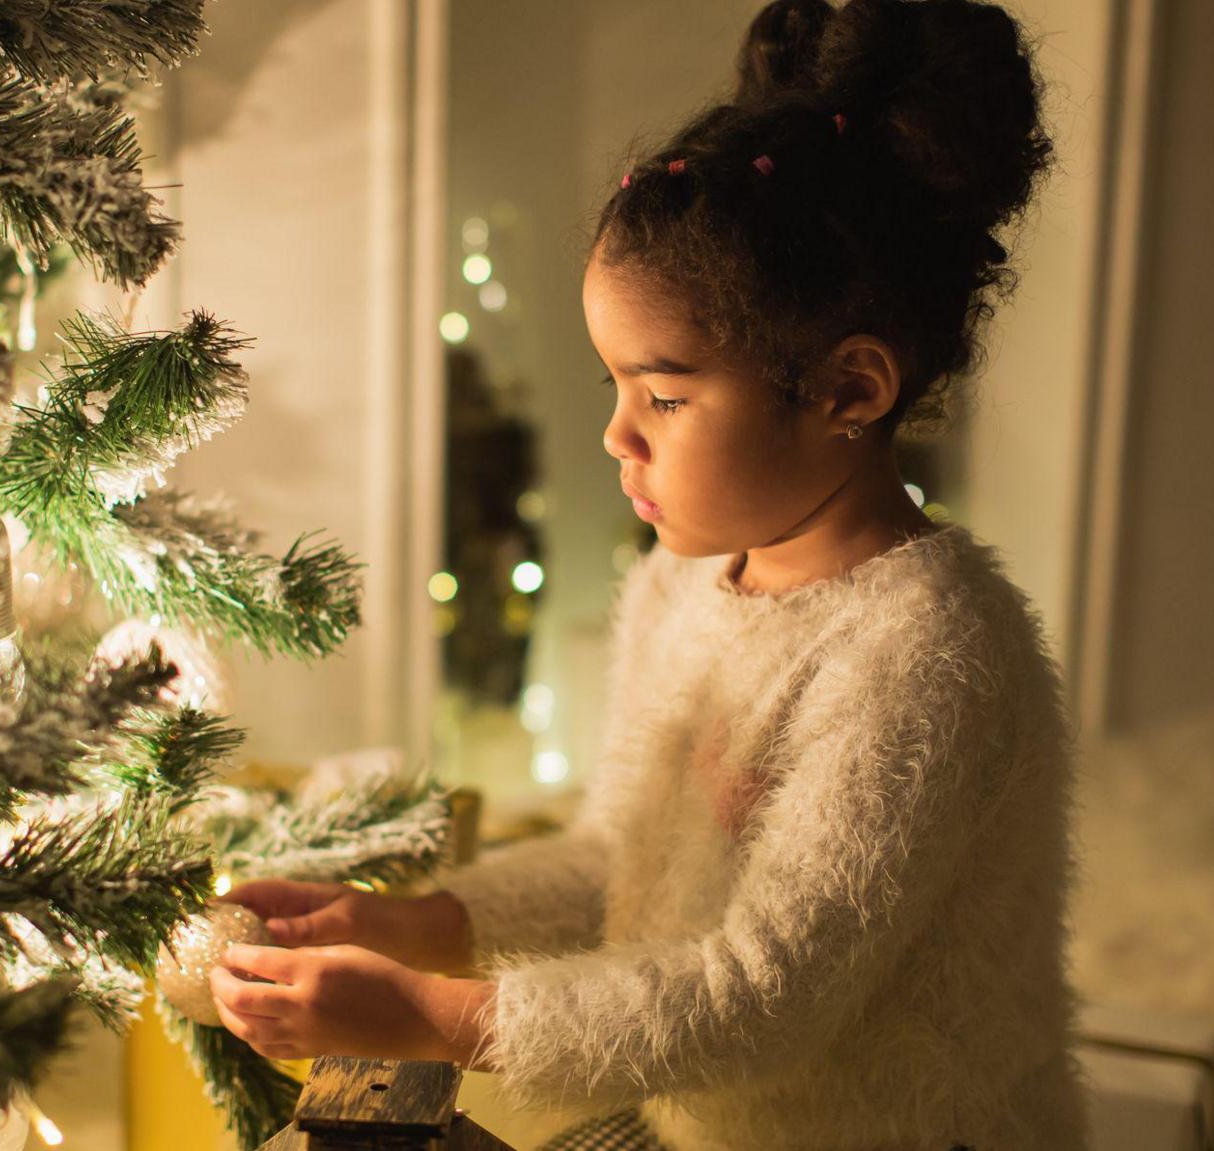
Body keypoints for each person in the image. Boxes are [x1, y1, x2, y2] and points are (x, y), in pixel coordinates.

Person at [210, 1, 1088, 1147]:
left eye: (663, 396)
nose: (618, 438)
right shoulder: (683, 583)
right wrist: (414, 925)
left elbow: (756, 996)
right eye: (613, 388)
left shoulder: (924, 654)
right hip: (707, 1120)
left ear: (848, 390)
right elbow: (622, 868)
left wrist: (437, 1015)